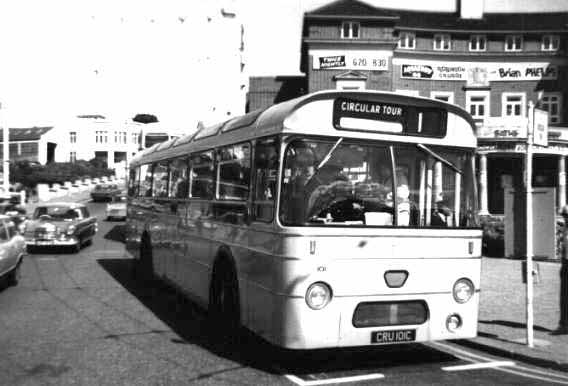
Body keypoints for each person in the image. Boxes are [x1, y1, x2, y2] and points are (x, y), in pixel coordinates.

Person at [553, 205, 568, 334]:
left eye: (566, 216)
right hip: (566, 263)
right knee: (564, 296)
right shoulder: (565, 230)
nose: (565, 219)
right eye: (564, 216)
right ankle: (564, 324)